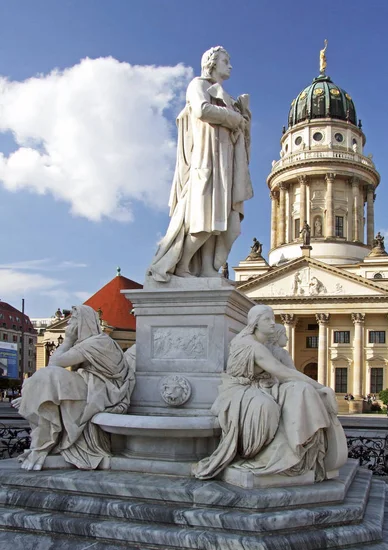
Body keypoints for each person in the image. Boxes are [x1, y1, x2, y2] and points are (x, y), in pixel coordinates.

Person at [193, 305, 347, 481]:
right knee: (267, 407)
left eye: (273, 319)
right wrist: (320, 387)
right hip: (239, 391)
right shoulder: (251, 345)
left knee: (301, 390)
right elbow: (282, 371)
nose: (273, 324)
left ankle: (300, 451)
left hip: (264, 386)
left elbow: (284, 372)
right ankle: (269, 456)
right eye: (267, 319)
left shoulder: (264, 345)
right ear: (255, 323)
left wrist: (315, 388)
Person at [146, 46, 253, 282]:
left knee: (226, 226)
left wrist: (244, 117)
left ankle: (206, 269)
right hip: (207, 161)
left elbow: (238, 135)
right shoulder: (199, 85)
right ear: (212, 63)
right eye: (226, 60)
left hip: (225, 164)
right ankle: (181, 265)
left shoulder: (227, 98)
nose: (230, 65)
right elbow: (202, 109)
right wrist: (234, 117)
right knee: (204, 219)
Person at [12, 305, 135, 471]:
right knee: (41, 380)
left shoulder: (98, 342)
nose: (70, 325)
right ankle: (38, 404)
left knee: (48, 376)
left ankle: (43, 442)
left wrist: (68, 339)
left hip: (105, 390)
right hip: (92, 384)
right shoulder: (91, 342)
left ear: (84, 323)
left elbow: (55, 363)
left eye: (73, 321)